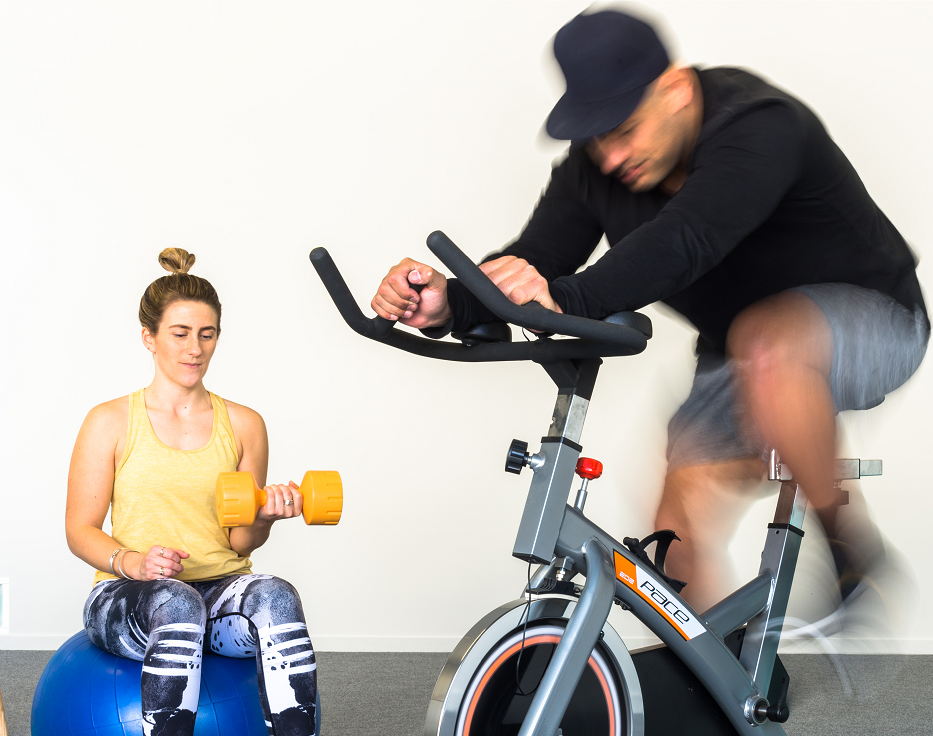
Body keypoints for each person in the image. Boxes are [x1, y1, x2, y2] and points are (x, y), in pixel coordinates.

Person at [370, 8, 928, 612]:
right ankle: (725, 690)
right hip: (742, 353)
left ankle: (852, 551)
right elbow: (535, 262)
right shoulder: (597, 169)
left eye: (626, 129)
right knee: (671, 539)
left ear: (678, 91)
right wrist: (449, 301)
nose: (611, 157)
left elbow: (687, 240)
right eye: (597, 138)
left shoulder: (760, 125)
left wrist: (568, 296)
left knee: (770, 345)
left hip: (875, 321)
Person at [65, 248, 347, 736]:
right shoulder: (111, 421)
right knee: (177, 602)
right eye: (180, 333)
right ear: (149, 337)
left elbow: (240, 545)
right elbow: (79, 531)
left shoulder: (243, 424)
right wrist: (132, 560)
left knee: (275, 594)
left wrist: (266, 514)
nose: (195, 348)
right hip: (126, 595)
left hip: (218, 587)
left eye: (208, 334)